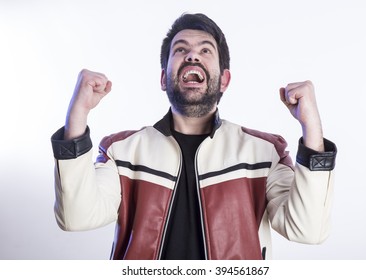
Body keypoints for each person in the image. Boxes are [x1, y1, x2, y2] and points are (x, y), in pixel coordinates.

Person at [51, 13, 337, 260]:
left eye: (205, 50)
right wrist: (77, 116)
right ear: (164, 78)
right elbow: (76, 217)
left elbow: (307, 230)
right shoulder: (122, 152)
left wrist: (312, 128)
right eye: (180, 50)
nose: (192, 55)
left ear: (224, 80)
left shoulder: (264, 153)